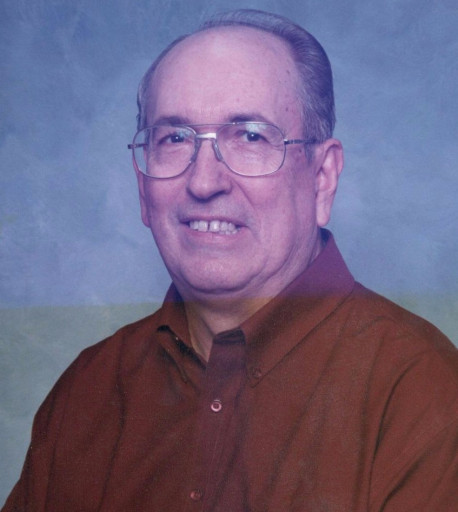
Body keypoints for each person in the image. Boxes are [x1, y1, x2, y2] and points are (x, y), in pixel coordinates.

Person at [3, 9, 457, 512]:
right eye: (174, 138)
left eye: (251, 136)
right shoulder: (87, 391)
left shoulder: (422, 393)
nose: (204, 182)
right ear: (142, 187)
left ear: (322, 178)